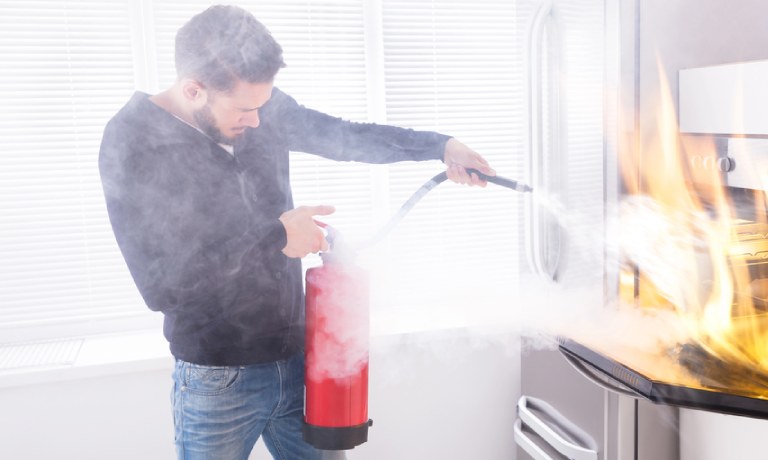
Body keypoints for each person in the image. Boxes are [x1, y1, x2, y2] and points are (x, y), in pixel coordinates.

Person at [98, 5, 494, 460]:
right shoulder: (132, 141)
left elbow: (343, 136)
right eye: (245, 110)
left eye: (263, 106)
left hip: (301, 362)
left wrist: (439, 146)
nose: (259, 123)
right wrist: (276, 238)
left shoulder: (258, 105)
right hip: (218, 380)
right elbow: (163, 286)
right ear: (194, 90)